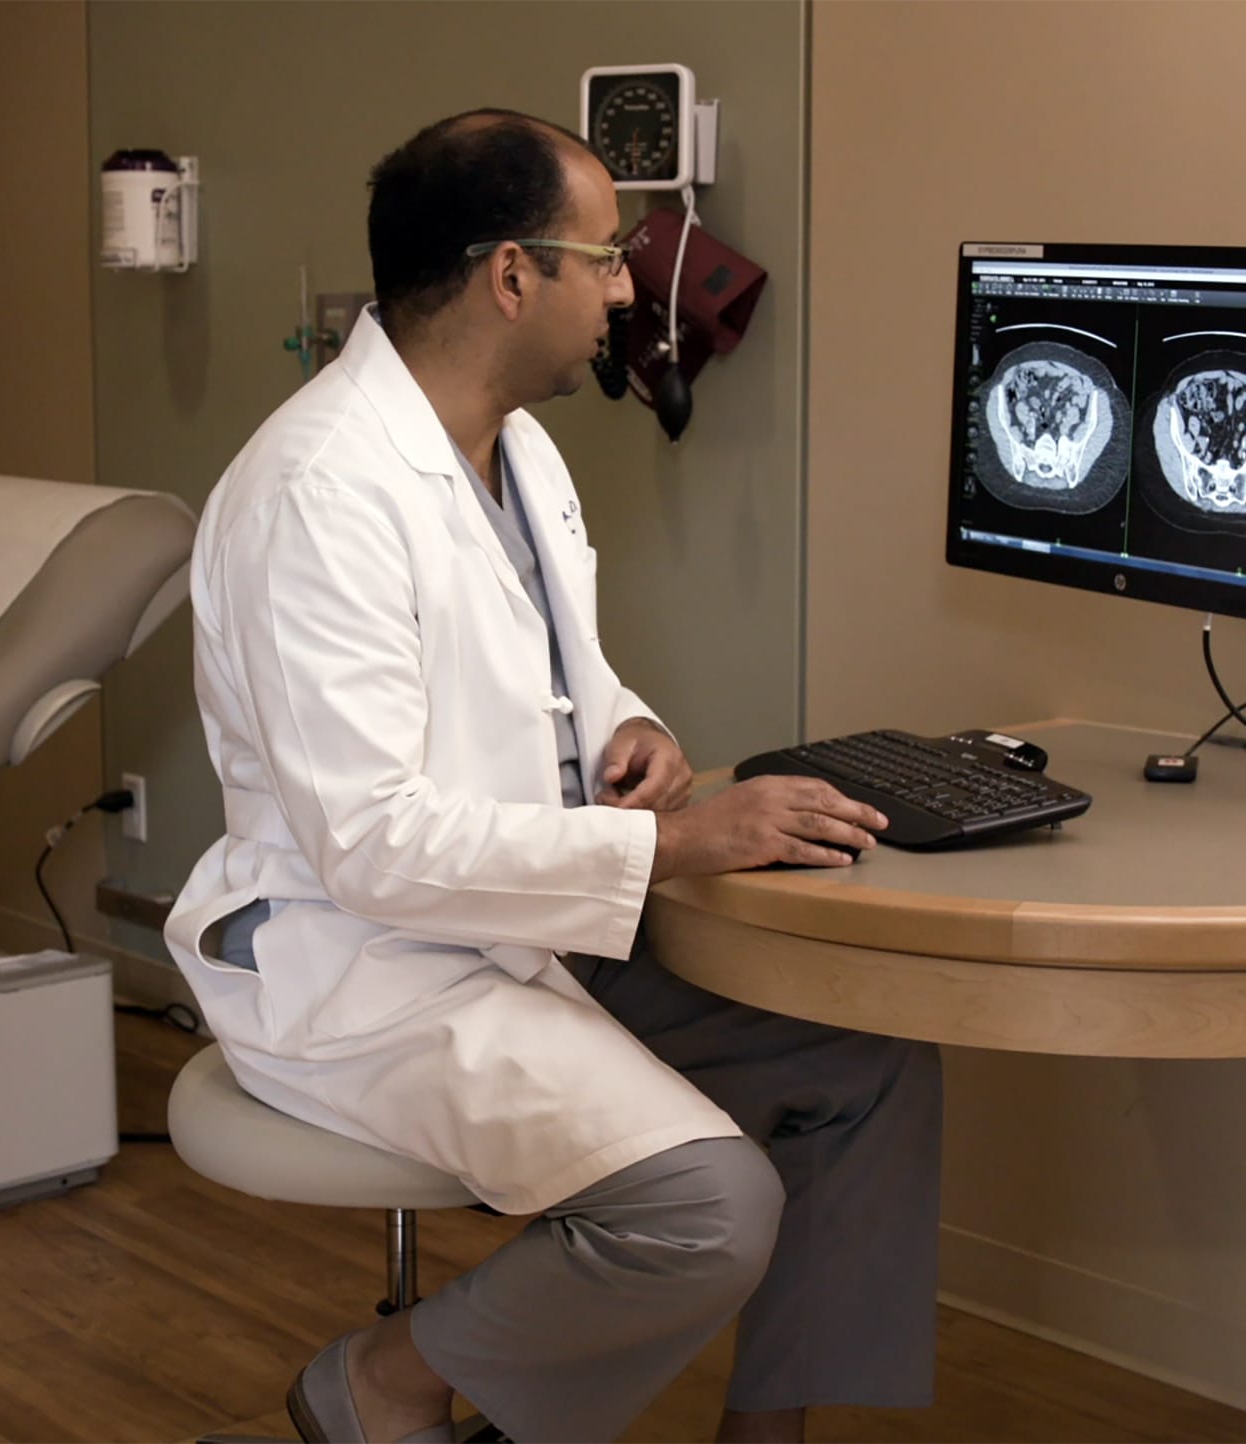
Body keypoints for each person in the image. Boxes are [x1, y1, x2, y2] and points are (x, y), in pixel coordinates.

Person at [163, 109, 941, 1444]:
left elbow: (541, 672)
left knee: (867, 1057)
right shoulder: (319, 493)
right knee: (711, 1208)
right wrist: (685, 844)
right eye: (608, 258)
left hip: (521, 924)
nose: (631, 289)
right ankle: (386, 1385)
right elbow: (373, 848)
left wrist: (631, 733)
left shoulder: (518, 448)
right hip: (363, 964)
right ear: (510, 276)